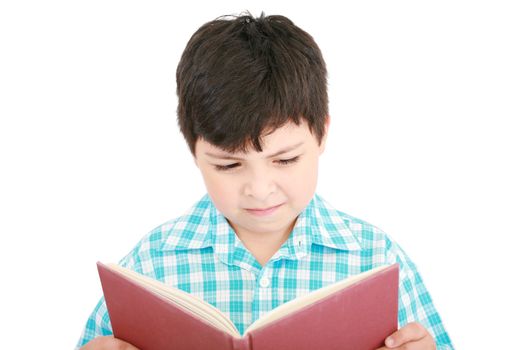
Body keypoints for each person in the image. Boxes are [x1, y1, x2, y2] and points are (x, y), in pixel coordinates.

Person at [76, 12, 453, 350]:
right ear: (193, 151)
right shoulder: (151, 266)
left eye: (285, 159)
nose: (259, 188)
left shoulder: (376, 260)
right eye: (228, 166)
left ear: (322, 135)